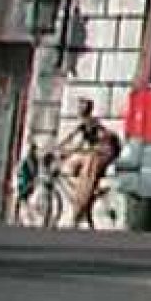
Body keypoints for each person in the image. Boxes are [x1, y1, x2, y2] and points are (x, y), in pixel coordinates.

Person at [54, 98, 120, 229]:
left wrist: (66, 152)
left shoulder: (92, 124)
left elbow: (83, 144)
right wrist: (57, 149)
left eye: (81, 108)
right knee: (74, 165)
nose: (79, 110)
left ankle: (79, 211)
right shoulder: (83, 125)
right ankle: (85, 196)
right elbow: (70, 138)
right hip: (95, 151)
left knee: (87, 174)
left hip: (103, 153)